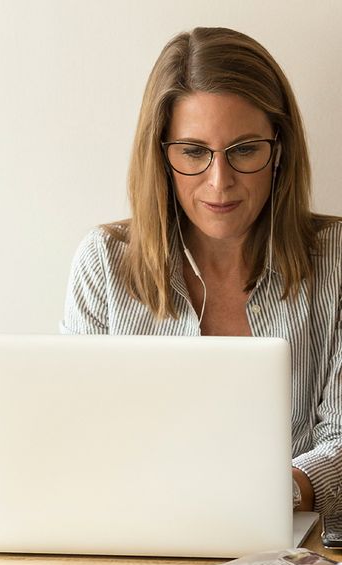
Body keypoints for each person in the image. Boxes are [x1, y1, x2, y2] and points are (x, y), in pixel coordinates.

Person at [61, 27, 342, 516]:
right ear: (161, 155)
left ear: (280, 150)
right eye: (193, 152)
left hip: (294, 542)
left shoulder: (335, 258)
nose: (220, 182)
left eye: (245, 150)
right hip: (135, 536)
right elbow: (75, 435)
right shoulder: (103, 262)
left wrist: (277, 493)